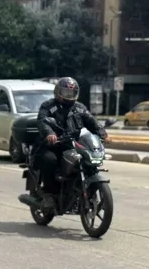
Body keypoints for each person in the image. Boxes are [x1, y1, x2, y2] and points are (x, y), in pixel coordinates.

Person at [35, 77, 110, 208]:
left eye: (72, 93)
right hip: (52, 145)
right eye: (66, 93)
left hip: (72, 145)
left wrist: (103, 134)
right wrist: (50, 134)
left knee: (87, 160)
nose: (69, 96)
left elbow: (92, 121)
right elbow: (42, 121)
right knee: (50, 160)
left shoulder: (79, 108)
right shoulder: (48, 106)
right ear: (58, 92)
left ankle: (81, 187)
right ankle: (49, 194)